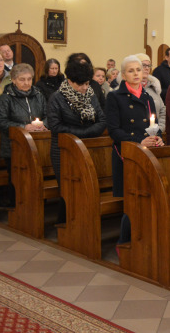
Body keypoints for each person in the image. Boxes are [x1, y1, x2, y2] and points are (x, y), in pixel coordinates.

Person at [105, 55, 163, 245]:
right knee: (132, 201)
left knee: (146, 198)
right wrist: (139, 141)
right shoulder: (114, 97)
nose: (136, 73)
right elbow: (114, 130)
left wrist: (158, 138)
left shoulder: (147, 97)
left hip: (146, 152)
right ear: (123, 75)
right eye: (131, 71)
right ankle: (124, 243)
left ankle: (143, 241)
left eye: (138, 69)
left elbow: (153, 124)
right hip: (126, 153)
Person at [46, 59, 106, 223]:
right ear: (69, 81)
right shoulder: (57, 98)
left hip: (88, 147)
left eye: (87, 83)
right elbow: (55, 126)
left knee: (84, 187)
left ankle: (81, 223)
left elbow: (102, 120)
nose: (85, 87)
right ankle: (65, 224)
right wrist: (84, 133)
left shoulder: (91, 95)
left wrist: (85, 134)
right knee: (67, 190)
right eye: (80, 84)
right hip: (63, 150)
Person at [0, 63, 48, 207]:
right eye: (22, 79)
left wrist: (44, 125)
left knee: (36, 177)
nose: (26, 83)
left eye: (29, 79)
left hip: (37, 145)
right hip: (13, 147)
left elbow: (48, 115)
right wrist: (24, 127)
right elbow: (1, 122)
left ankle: (37, 206)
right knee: (17, 180)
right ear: (13, 80)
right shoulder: (5, 98)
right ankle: (17, 208)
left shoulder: (38, 95)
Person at [135, 53, 166, 133]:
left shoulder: (154, 87)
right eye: (143, 65)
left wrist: (160, 128)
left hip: (154, 134)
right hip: (135, 135)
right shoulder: (129, 89)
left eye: (149, 66)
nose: (147, 68)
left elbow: (163, 110)